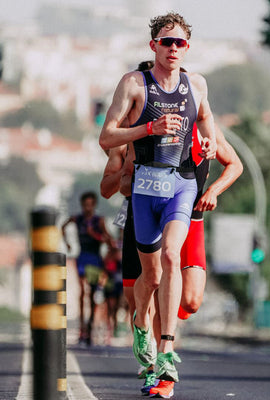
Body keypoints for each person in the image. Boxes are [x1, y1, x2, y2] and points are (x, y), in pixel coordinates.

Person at [99, 12, 217, 398]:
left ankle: (166, 348)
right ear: (153, 46)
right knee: (149, 279)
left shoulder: (196, 83)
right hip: (145, 189)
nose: (173, 49)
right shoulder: (135, 83)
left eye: (180, 43)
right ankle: (139, 321)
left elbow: (205, 115)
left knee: (171, 257)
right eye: (166, 42)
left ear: (187, 48)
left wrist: (210, 138)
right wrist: (149, 128)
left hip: (180, 184)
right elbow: (107, 137)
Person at [100, 97, 242, 396]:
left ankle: (158, 324)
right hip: (145, 213)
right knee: (149, 287)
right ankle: (159, 370)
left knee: (189, 301)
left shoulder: (205, 127)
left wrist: (213, 190)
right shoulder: (138, 131)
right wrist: (138, 175)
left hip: (190, 217)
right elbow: (111, 187)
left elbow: (234, 164)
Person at [61, 191, 112, 345]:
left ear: (94, 205)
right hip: (82, 257)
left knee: (91, 294)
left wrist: (94, 235)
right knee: (82, 291)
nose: (87, 208)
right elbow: (63, 226)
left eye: (90, 205)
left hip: (95, 259)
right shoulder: (77, 219)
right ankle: (82, 328)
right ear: (82, 205)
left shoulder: (99, 220)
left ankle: (90, 326)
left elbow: (108, 240)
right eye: (85, 205)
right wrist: (67, 243)